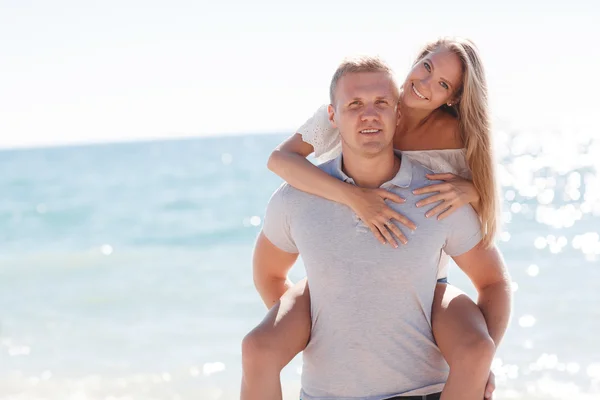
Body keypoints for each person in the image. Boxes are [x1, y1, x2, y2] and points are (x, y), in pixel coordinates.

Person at [243, 54, 511, 400]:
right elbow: (280, 160)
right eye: (354, 104)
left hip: (429, 281)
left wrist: (482, 370)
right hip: (327, 317)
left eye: (443, 84)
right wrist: (321, 324)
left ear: (396, 112)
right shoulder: (297, 197)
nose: (369, 113)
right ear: (333, 115)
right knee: (257, 348)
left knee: (476, 350)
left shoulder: (441, 187)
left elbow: (493, 278)